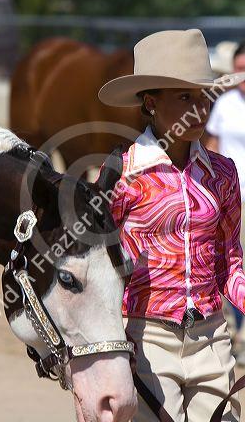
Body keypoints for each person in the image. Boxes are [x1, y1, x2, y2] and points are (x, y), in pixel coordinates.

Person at [97, 29, 245, 421]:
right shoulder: (120, 175)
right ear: (150, 101)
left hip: (212, 339)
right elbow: (99, 267)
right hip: (145, 340)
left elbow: (230, 264)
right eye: (184, 98)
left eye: (204, 97)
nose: (200, 110)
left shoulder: (223, 174)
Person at [206, 41, 245, 366]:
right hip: (232, 200)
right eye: (239, 69)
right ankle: (235, 331)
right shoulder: (224, 105)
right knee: (231, 263)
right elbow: (213, 147)